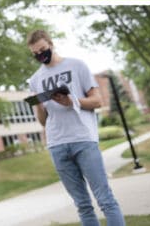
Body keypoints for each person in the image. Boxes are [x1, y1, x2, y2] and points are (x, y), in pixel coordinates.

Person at [27, 29, 125, 226]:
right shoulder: (35, 79)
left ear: (51, 44)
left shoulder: (77, 65)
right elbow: (44, 121)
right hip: (57, 144)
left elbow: (97, 101)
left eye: (43, 50)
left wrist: (71, 101)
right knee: (82, 205)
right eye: (35, 54)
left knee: (105, 199)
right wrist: (38, 103)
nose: (40, 55)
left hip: (83, 140)